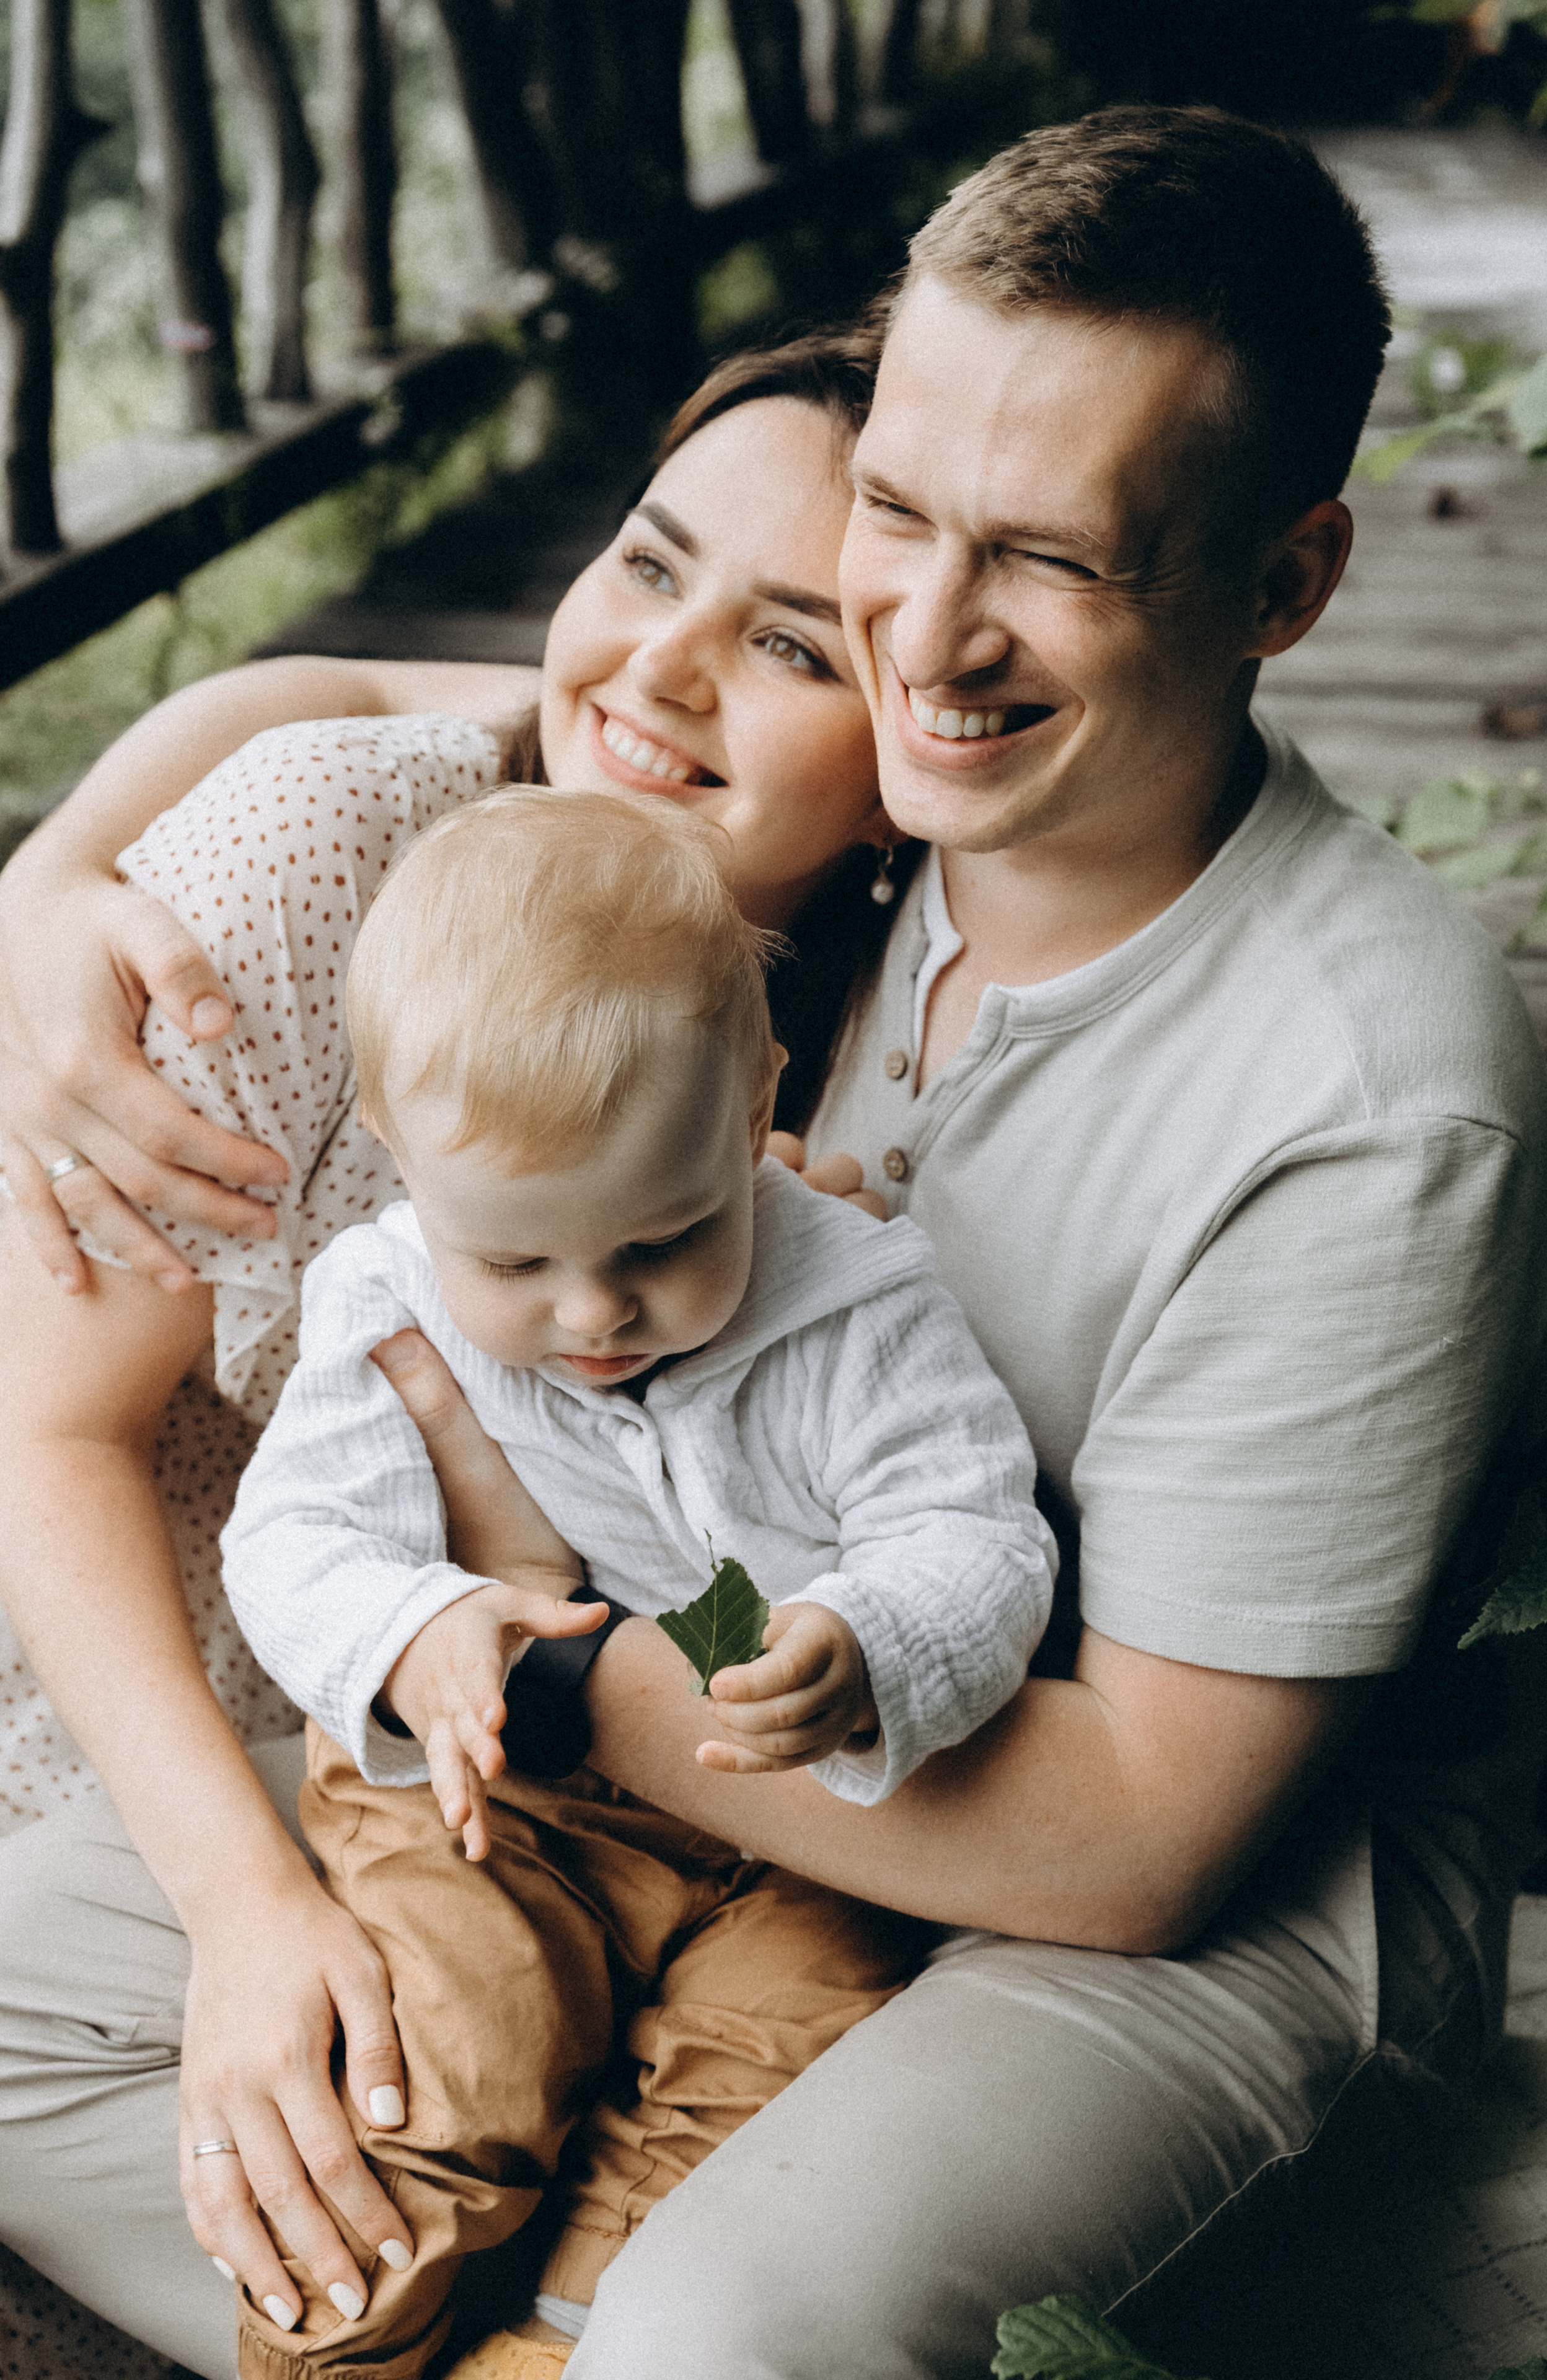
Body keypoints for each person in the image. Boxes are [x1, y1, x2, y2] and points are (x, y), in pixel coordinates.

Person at [0, 104, 1547, 2380]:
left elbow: (1139, 1843)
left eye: (1051, 558)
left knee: (718, 2337)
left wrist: (524, 1654)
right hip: (718, 1750)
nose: (925, 630)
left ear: (1283, 586)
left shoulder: (1368, 1109)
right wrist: (60, 869)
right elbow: (520, 717)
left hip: (1164, 1901)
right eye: (898, 518)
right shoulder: (880, 828)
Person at [0, 327, 899, 2380]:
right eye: (646, 562)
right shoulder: (327, 867)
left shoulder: (896, 1016)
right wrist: (243, 1910)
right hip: (151, 1677)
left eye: (792, 644)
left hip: (589, 1755)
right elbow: (48, 1433)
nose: (661, 673)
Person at [219, 783, 1052, 2376]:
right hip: (487, 1795)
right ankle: (341, 2348)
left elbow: (975, 1530)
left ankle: (561, 2350)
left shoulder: (860, 1307)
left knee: (759, 2085)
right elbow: (294, 1539)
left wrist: (868, 1633)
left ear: (753, 1107)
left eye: (662, 1240)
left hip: (796, 1831)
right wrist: (419, 1626)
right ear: (400, 1155)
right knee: (441, 2068)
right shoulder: (388, 1301)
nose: (594, 1313)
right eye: (516, 1262)